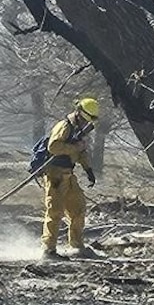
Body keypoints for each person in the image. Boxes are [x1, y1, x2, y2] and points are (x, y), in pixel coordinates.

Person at [41, 97, 99, 259]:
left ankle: (77, 246)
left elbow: (80, 152)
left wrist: (88, 170)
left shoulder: (78, 130)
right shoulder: (64, 126)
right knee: (55, 212)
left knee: (78, 209)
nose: (85, 123)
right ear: (78, 112)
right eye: (84, 119)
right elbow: (53, 147)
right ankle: (48, 249)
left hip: (69, 175)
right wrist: (74, 147)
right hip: (55, 175)